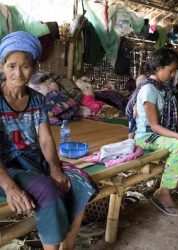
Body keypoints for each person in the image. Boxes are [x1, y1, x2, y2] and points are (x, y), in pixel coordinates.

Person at [0, 31, 96, 250]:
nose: (18, 72)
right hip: (6, 168)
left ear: (34, 68)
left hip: (32, 161)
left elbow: (45, 139)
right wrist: (10, 188)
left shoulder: (38, 100)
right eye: (11, 65)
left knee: (79, 182)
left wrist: (55, 168)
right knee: (46, 188)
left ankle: (66, 247)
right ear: (1, 66)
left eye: (25, 66)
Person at [126, 48, 178, 216]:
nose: (173, 75)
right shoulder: (149, 89)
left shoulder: (161, 87)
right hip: (146, 138)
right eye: (171, 70)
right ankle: (164, 191)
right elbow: (154, 126)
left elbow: (169, 101)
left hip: (157, 135)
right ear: (158, 67)